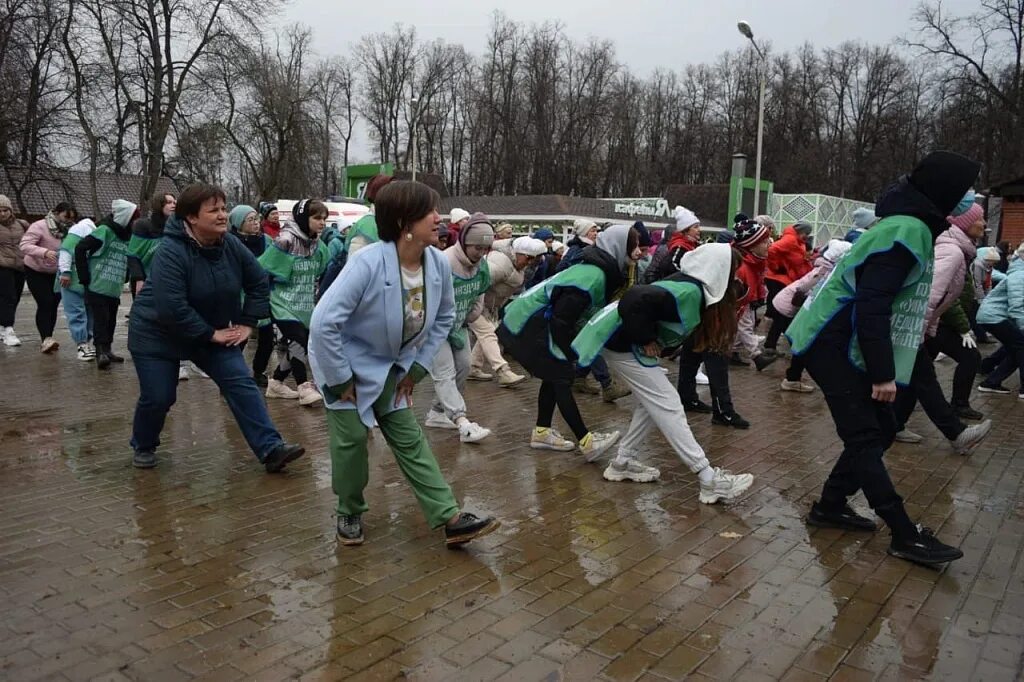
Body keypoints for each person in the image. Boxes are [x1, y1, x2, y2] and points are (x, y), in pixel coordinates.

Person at [786, 150, 982, 566]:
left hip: (842, 338)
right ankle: (903, 533)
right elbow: (872, 304)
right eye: (963, 189)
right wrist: (882, 373)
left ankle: (831, 504)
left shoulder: (909, 225)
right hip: (831, 341)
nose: (968, 199)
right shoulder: (906, 231)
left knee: (884, 427)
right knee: (864, 435)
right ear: (944, 190)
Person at [308, 180, 500, 547]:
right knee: (351, 443)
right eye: (428, 211)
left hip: (393, 369)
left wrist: (417, 368)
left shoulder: (437, 266)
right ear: (403, 223)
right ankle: (349, 510)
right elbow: (323, 322)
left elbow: (445, 318)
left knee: (411, 440)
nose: (437, 218)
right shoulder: (367, 263)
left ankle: (450, 517)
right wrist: (338, 379)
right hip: (345, 366)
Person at [127, 183, 304, 471]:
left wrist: (248, 323)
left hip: (210, 332)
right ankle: (144, 443)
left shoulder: (230, 245)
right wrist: (211, 333)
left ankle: (271, 449)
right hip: (157, 334)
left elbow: (259, 281)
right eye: (214, 210)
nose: (223, 215)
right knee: (160, 396)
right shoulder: (170, 252)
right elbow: (172, 306)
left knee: (241, 382)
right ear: (191, 218)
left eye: (224, 208)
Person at [571, 243, 755, 502]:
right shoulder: (689, 291)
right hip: (622, 343)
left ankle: (623, 463)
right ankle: (708, 478)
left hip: (620, 341)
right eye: (732, 272)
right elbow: (634, 298)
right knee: (668, 403)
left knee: (653, 403)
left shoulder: (692, 286)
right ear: (718, 270)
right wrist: (646, 338)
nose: (734, 278)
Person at [499, 224, 641, 459]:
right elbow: (561, 319)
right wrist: (570, 352)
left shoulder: (599, 270)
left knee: (554, 376)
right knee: (562, 376)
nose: (638, 252)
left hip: (535, 319)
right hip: (530, 321)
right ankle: (586, 441)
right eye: (633, 246)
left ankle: (542, 432)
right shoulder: (593, 275)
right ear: (618, 248)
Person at [424, 213, 494, 443]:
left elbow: (479, 299)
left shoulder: (482, 267)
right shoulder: (443, 262)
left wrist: (467, 316)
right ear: (465, 242)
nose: (481, 254)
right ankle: (462, 422)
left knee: (463, 367)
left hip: (459, 325)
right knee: (444, 373)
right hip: (435, 328)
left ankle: (437, 412)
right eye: (477, 248)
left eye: (486, 249)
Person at [259, 199, 329, 406]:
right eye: (317, 218)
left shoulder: (319, 245)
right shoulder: (285, 240)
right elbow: (264, 269)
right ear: (302, 217)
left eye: (324, 218)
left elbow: (322, 269)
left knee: (301, 344)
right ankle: (303, 387)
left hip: (305, 304)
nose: (322, 222)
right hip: (282, 303)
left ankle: (277, 383)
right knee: (298, 340)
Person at [918, 203, 986, 419]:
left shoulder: (963, 250)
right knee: (969, 358)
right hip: (937, 323)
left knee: (919, 374)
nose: (984, 224)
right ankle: (956, 416)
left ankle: (896, 419)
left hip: (936, 323)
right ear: (964, 222)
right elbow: (935, 294)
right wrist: (920, 331)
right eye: (980, 218)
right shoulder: (953, 251)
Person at [767, 239, 852, 391]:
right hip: (788, 305)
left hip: (786, 303)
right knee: (803, 344)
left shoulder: (825, 267)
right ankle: (793, 379)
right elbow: (804, 291)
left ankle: (792, 377)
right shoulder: (825, 271)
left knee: (801, 344)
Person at [128, 193, 192, 378]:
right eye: (169, 202)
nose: (173, 205)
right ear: (159, 205)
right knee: (154, 322)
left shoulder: (182, 227)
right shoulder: (143, 226)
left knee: (176, 319)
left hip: (174, 281)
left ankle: (179, 361)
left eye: (175, 202)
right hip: (148, 282)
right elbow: (133, 254)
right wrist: (139, 278)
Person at [467, 236, 545, 386]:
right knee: (489, 333)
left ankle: (473, 367)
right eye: (528, 259)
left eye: (534, 261)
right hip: (474, 304)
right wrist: (477, 307)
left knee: (490, 334)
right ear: (519, 253)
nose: (529, 264)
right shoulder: (500, 263)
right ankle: (503, 372)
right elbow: (477, 282)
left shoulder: (516, 265)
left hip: (489, 306)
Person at [75, 199, 137, 369]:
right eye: (132, 218)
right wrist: (84, 276)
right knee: (101, 320)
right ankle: (100, 351)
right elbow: (80, 248)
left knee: (111, 320)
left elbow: (127, 256)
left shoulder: (127, 236)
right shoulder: (104, 230)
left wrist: (125, 275)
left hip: (113, 286)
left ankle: (107, 349)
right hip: (97, 283)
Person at [229, 204, 285, 391]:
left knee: (267, 338)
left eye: (256, 219)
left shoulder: (267, 241)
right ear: (238, 223)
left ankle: (258, 372)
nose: (255, 223)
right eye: (250, 219)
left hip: (263, 294)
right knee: (240, 338)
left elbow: (276, 261)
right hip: (240, 296)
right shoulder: (230, 242)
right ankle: (231, 375)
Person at [19, 202, 76, 353]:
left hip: (56, 273)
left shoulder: (72, 229)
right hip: (35, 270)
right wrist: (44, 252)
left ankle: (49, 337)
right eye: (65, 217)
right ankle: (46, 338)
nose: (68, 221)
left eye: (71, 219)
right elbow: (24, 245)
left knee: (53, 305)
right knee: (45, 302)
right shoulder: (39, 226)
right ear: (56, 213)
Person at [759, 222, 814, 368]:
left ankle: (771, 344)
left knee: (781, 315)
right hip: (779, 279)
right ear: (800, 231)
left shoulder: (797, 241)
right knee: (782, 314)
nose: (807, 237)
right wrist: (777, 266)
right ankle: (792, 346)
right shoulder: (790, 239)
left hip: (785, 279)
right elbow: (772, 250)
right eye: (806, 234)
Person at [976, 243, 1024, 396]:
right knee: (1021, 347)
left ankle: (991, 381)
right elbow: (1017, 305)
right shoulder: (1020, 275)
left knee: (1014, 350)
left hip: (995, 315)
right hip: (994, 316)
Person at [57, 218, 97, 360]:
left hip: (82, 282)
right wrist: (65, 272)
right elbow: (65, 253)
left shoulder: (80, 236)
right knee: (77, 312)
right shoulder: (76, 237)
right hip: (71, 281)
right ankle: (82, 344)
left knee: (86, 311)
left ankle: (86, 342)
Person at [0, 194, 27, 347]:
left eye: (5, 210)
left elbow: (31, 239)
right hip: (2, 266)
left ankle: (2, 326)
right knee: (8, 296)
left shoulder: (21, 224)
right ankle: (9, 329)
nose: (3, 213)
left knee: (15, 297)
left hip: (20, 266)